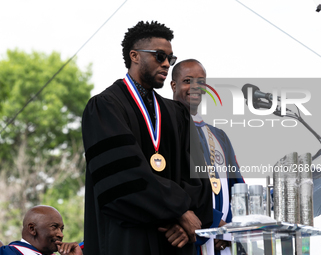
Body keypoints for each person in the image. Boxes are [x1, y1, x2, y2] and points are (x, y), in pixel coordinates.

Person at [81, 21, 213, 255]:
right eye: (159, 56)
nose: (166, 64)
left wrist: (186, 222)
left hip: (176, 243)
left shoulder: (177, 113)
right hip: (129, 241)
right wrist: (180, 212)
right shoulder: (105, 107)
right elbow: (121, 178)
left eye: (170, 59)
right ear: (134, 56)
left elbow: (198, 179)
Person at [171, 59, 245, 255]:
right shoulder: (166, 130)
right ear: (173, 85)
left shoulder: (219, 136)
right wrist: (212, 223)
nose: (195, 87)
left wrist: (229, 230)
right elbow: (166, 186)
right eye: (188, 80)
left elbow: (238, 187)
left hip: (224, 243)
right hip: (188, 239)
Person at [0, 205, 82, 255]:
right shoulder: (7, 252)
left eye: (61, 229)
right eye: (54, 227)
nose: (61, 235)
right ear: (32, 229)